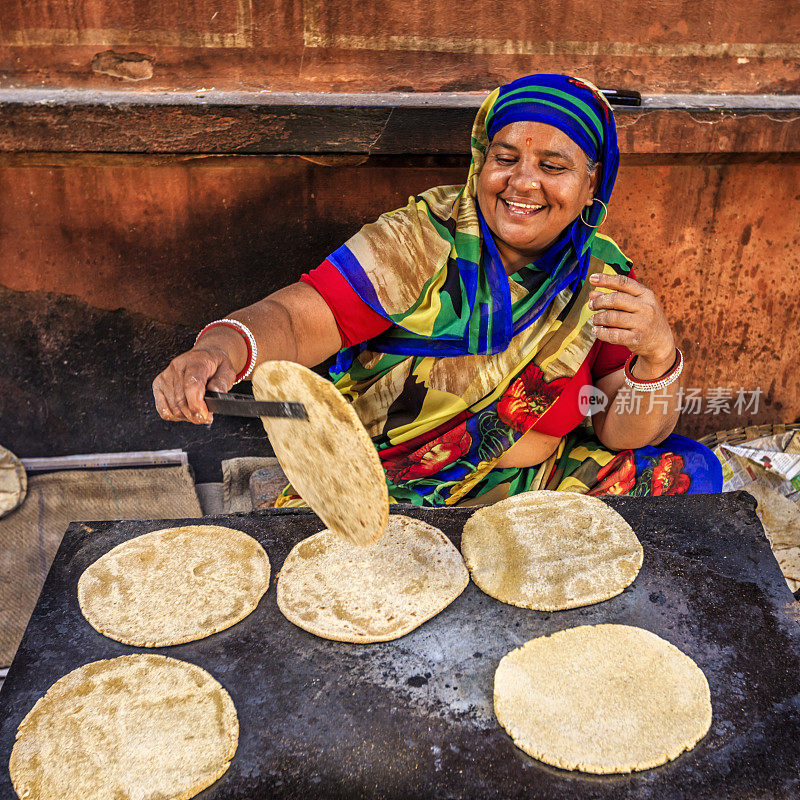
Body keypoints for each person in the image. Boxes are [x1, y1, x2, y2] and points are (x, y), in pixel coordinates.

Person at [153, 74, 722, 506]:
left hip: (532, 485)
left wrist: (658, 356)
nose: (523, 183)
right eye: (505, 158)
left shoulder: (600, 273)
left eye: (554, 165)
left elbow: (619, 429)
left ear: (592, 180)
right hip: (396, 482)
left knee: (685, 474)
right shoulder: (418, 240)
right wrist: (217, 352)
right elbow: (298, 319)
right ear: (480, 161)